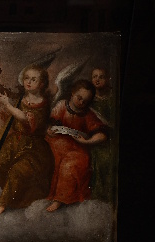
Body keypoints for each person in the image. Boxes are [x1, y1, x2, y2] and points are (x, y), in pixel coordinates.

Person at [0, 65, 55, 216]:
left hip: (33, 148)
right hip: (15, 142)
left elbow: (26, 119)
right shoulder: (21, 99)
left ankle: (2, 204)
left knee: (17, 171)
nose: (29, 82)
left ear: (42, 84)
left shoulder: (43, 103)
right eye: (26, 78)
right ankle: (14, 196)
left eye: (34, 79)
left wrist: (7, 104)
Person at [45, 79, 108, 212]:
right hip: (56, 143)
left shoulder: (88, 114)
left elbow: (102, 135)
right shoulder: (62, 105)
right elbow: (50, 124)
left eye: (85, 101)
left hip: (77, 149)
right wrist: (50, 130)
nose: (81, 103)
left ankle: (59, 199)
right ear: (73, 93)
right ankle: (46, 194)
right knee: (49, 158)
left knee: (69, 165)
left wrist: (87, 142)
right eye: (79, 98)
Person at [89, 67, 115, 202]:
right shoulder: (89, 98)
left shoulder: (112, 98)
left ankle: (106, 196)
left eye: (101, 77)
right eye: (95, 77)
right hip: (91, 137)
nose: (97, 79)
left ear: (108, 79)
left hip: (109, 139)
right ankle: (95, 196)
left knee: (105, 158)